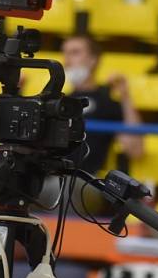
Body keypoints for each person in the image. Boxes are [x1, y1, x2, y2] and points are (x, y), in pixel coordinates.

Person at [61, 33, 144, 173]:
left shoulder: (107, 103)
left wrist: (125, 96)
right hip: (51, 176)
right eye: (65, 53)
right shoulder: (59, 100)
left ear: (93, 59)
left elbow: (135, 150)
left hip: (84, 180)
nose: (67, 60)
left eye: (75, 53)